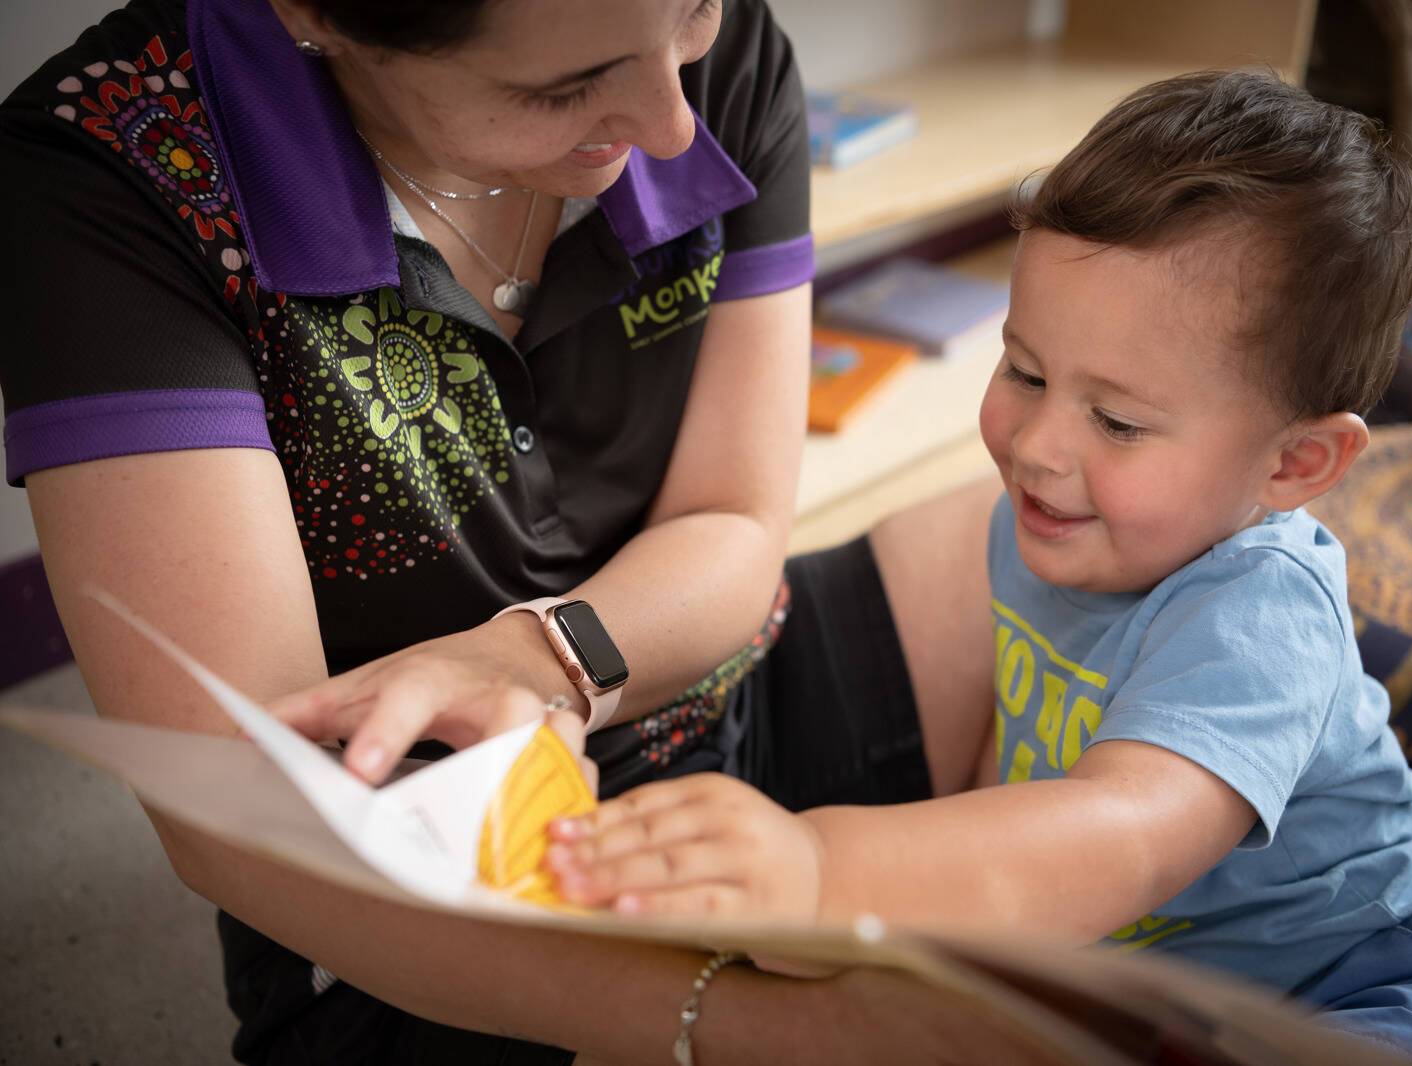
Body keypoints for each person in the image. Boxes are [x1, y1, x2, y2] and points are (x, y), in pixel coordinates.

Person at [1, 0, 1020, 1062]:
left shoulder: (704, 58)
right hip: (424, 872)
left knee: (1082, 562)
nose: (673, 124)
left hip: (714, 681)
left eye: (695, 14)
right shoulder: (110, 174)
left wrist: (542, 658)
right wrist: (753, 1021)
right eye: (563, 89)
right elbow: (248, 810)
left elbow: (733, 520)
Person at [538, 70, 1412, 1065]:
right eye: (1026, 370)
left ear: (1295, 464)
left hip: (1392, 980)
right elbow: (1021, 771)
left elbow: (1121, 832)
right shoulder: (1053, 525)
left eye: (1119, 421)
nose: (1038, 447)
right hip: (1170, 993)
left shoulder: (1259, 615)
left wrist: (821, 869)